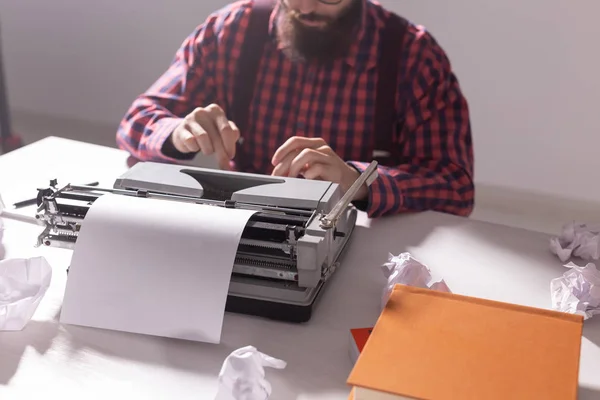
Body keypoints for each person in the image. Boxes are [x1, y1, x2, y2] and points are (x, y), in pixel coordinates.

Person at [116, 0, 475, 218]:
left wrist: (357, 182)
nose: (304, 9)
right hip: (242, 226)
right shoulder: (232, 30)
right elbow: (137, 122)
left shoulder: (412, 56)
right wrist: (179, 133)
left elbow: (456, 188)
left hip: (358, 241)